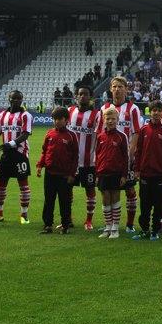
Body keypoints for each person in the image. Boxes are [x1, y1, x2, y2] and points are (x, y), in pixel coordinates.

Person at [96, 76, 142, 233]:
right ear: (110, 89)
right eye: (114, 86)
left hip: (126, 157)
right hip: (108, 160)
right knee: (108, 191)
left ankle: (129, 224)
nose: (117, 89)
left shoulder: (133, 108)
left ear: (126, 89)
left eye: (120, 87)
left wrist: (130, 152)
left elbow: (136, 132)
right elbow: (100, 133)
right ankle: (110, 224)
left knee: (129, 190)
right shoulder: (104, 108)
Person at [132, 101, 162, 242]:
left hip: (159, 174)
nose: (156, 113)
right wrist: (137, 169)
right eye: (153, 110)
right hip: (145, 174)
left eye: (158, 110)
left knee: (158, 204)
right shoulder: (143, 130)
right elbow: (139, 151)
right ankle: (144, 230)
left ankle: (155, 230)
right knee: (145, 205)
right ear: (150, 111)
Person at [36, 107, 78, 235]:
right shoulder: (49, 133)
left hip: (64, 175)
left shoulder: (71, 136)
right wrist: (40, 165)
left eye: (59, 119)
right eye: (54, 119)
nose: (57, 121)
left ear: (66, 120)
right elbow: (44, 152)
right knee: (48, 200)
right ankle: (48, 225)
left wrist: (72, 174)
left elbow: (75, 157)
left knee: (64, 201)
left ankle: (65, 226)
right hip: (50, 173)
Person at [0, 90, 33, 224]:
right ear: (9, 99)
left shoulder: (25, 115)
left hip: (20, 154)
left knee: (23, 185)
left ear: (22, 100)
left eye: (18, 98)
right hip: (6, 155)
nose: (16, 100)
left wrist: (10, 144)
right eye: (13, 98)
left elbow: (26, 134)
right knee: (0, 184)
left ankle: (24, 215)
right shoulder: (2, 114)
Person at [67, 86, 99, 231]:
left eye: (85, 94)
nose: (82, 97)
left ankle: (89, 221)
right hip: (70, 162)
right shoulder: (69, 111)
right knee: (67, 191)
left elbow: (99, 137)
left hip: (89, 162)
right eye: (80, 94)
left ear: (90, 97)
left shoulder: (97, 115)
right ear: (76, 96)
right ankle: (67, 219)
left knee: (90, 191)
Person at [95, 107, 129, 239]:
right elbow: (97, 156)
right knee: (105, 198)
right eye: (107, 118)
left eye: (113, 119)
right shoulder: (100, 136)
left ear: (117, 120)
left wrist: (124, 175)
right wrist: (97, 174)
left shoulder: (122, 137)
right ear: (104, 119)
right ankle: (107, 226)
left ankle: (115, 227)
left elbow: (125, 157)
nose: (110, 121)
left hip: (116, 173)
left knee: (115, 197)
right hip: (103, 172)